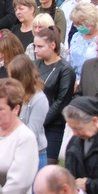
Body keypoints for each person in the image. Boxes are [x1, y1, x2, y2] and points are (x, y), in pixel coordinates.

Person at [33, 26, 75, 164]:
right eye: (35, 46)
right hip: (34, 120)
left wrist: (41, 121)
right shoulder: (36, 65)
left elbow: (61, 101)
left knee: (47, 167)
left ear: (52, 45)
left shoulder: (65, 69)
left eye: (40, 46)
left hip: (53, 125)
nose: (35, 50)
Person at [7, 55, 48, 169]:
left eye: (12, 77)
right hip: (13, 151)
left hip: (34, 154)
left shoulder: (39, 99)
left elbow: (32, 132)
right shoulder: (14, 95)